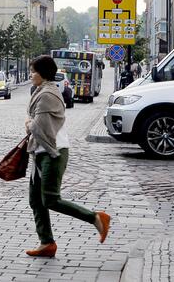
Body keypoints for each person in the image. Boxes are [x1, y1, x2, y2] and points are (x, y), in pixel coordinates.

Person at [24, 55, 110, 258]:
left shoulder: (47, 94)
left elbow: (40, 127)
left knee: (51, 199)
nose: (30, 74)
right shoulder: (41, 91)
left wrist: (28, 123)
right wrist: (31, 122)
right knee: (36, 200)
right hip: (41, 152)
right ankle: (46, 243)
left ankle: (96, 218)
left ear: (43, 73)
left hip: (53, 152)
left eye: (33, 71)